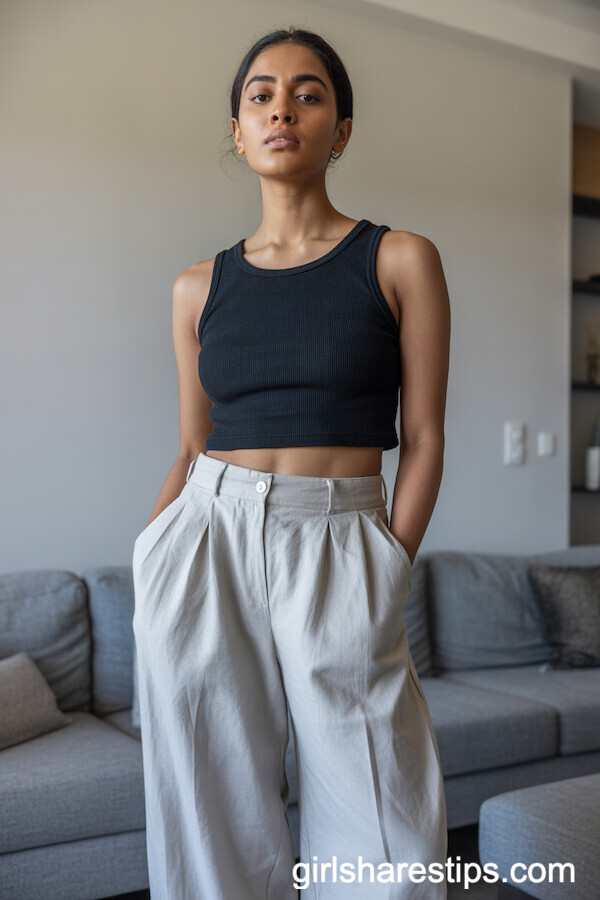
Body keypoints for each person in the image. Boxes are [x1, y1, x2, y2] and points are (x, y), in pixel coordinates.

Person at [132, 25, 451, 900]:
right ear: (238, 129)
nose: (282, 109)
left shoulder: (399, 259)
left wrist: (389, 562)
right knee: (210, 806)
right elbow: (193, 444)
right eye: (260, 96)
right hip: (205, 537)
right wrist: (153, 555)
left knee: (384, 814)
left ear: (340, 129)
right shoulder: (198, 287)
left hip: (341, 536)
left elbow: (423, 437)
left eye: (308, 94)